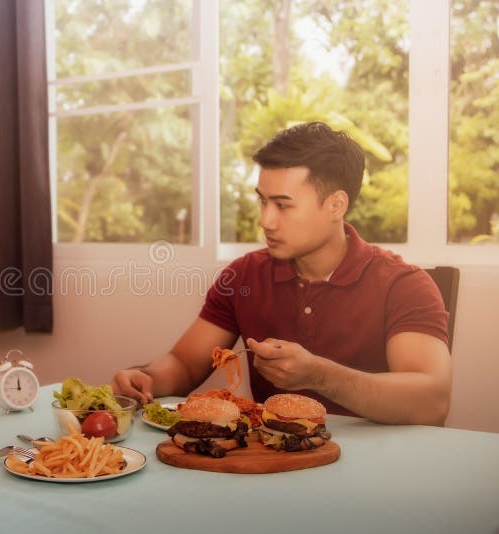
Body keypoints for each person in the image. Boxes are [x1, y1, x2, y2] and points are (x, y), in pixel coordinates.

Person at [112, 122, 452, 426]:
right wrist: (147, 378)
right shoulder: (243, 276)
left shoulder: (403, 284)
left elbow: (432, 401)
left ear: (336, 205)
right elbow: (184, 365)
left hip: (377, 477)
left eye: (283, 205)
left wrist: (320, 375)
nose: (266, 221)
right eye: (262, 201)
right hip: (269, 461)